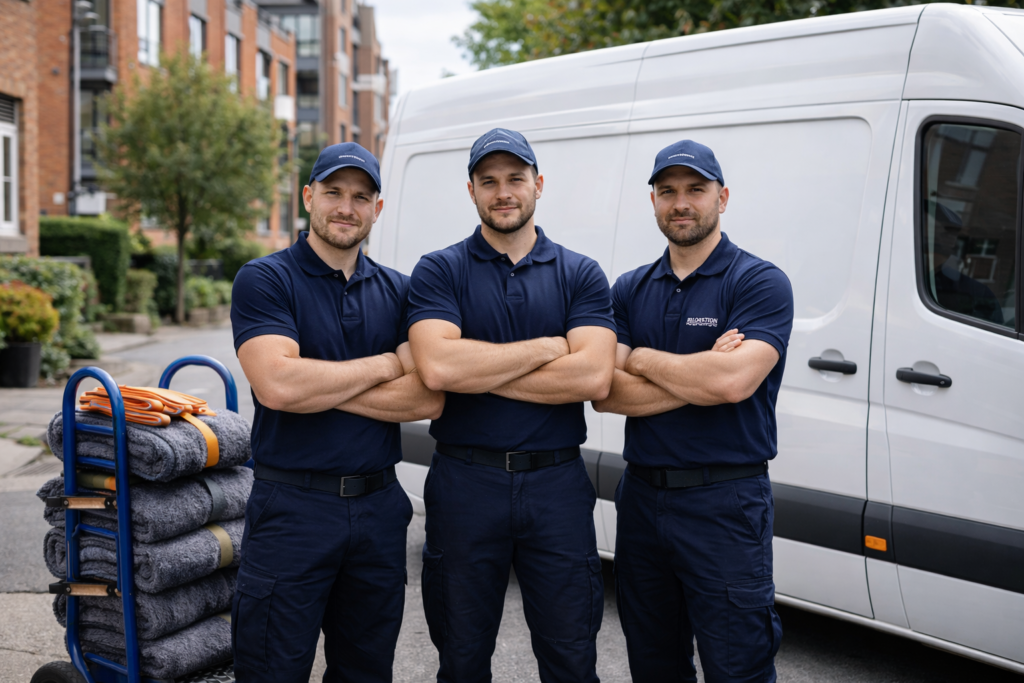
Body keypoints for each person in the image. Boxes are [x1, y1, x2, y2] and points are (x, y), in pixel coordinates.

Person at [406, 128, 617, 683]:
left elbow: (594, 375)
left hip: (557, 486)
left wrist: (478, 367)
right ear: (471, 190)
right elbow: (438, 369)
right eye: (489, 181)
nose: (504, 192)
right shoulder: (440, 270)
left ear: (538, 185)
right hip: (465, 483)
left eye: (515, 179)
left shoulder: (580, 272)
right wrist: (549, 350)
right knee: (462, 657)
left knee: (572, 657)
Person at [229, 142, 444, 683]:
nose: (346, 207)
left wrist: (318, 382)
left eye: (360, 196)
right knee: (273, 668)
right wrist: (383, 365)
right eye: (333, 193)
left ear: (377, 208)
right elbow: (278, 385)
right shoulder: (265, 279)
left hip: (378, 509)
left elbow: (427, 397)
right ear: (308, 197)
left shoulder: (401, 291)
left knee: (365, 671)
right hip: (292, 510)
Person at [593, 140, 794, 682]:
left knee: (738, 666)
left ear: (722, 197)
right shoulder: (630, 289)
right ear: (653, 201)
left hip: (725, 504)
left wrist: (640, 357)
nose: (681, 202)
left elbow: (733, 381)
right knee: (654, 663)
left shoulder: (759, 282)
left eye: (696, 190)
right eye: (668, 191)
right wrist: (699, 371)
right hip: (642, 500)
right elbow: (606, 391)